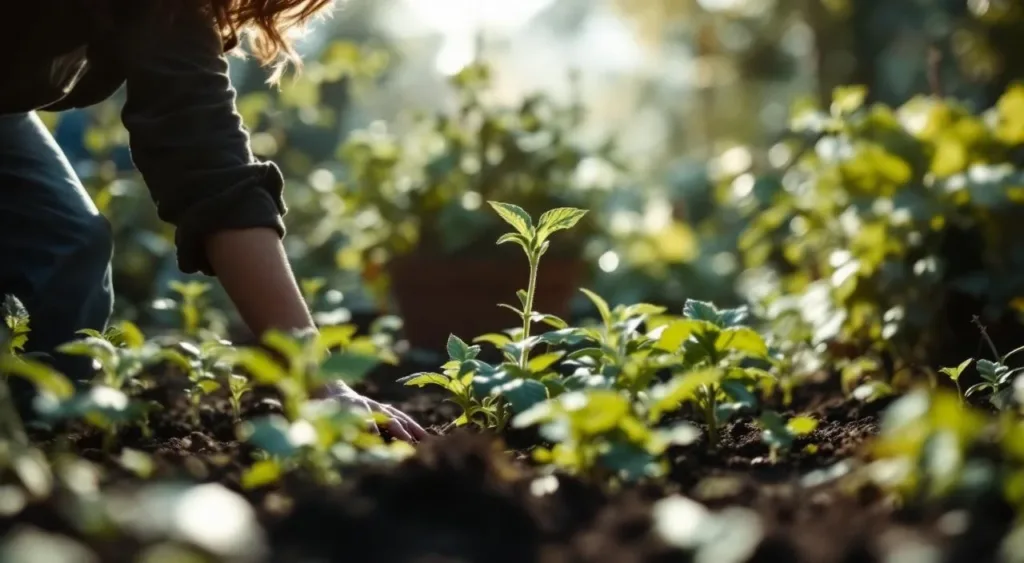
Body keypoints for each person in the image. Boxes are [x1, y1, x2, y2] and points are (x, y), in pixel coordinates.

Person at [0, 1, 427, 442]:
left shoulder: (167, 12)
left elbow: (210, 168)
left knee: (65, 253)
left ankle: (32, 454)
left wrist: (320, 382)